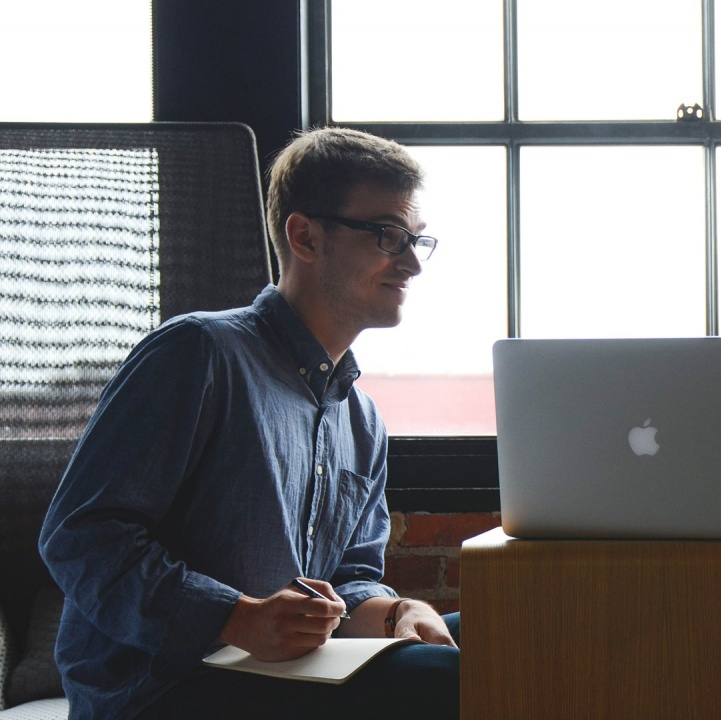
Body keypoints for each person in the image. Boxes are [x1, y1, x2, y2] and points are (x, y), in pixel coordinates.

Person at [38, 126, 460, 720]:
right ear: (305, 236)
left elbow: (349, 579)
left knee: (497, 641)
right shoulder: (198, 353)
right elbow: (81, 536)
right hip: (162, 689)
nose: (413, 263)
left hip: (280, 674)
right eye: (389, 235)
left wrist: (395, 611)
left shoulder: (360, 420)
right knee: (452, 680)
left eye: (417, 239)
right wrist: (236, 617)